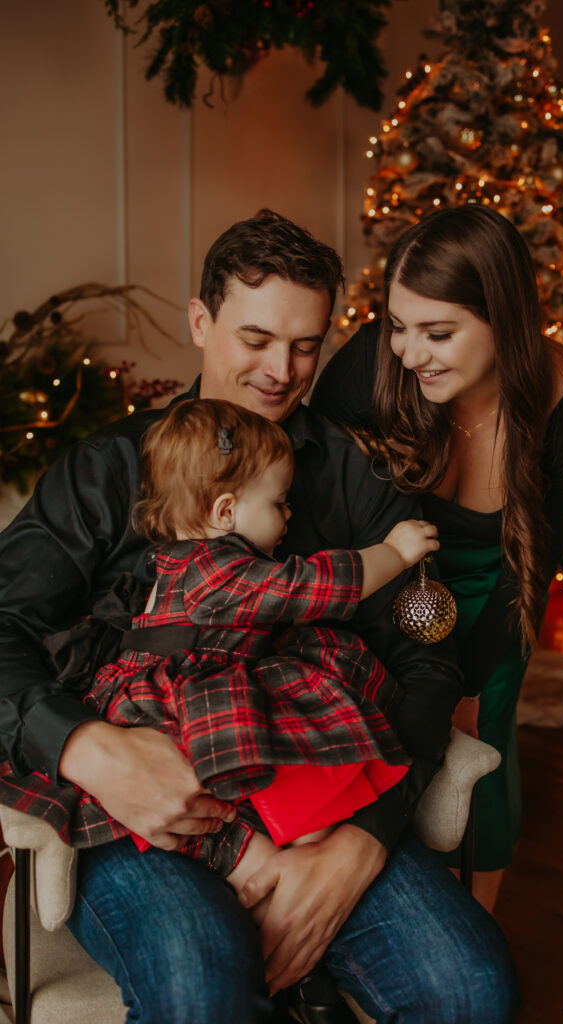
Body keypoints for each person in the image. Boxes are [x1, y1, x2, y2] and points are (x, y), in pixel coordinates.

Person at [0, 209, 518, 1024]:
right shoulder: (108, 469)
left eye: (305, 345)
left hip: (315, 795)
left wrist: (366, 840)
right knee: (200, 990)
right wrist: (87, 749)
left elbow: (425, 659)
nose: (281, 370)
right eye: (255, 339)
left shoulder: (351, 476)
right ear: (201, 322)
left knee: (469, 987)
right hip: (145, 805)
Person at [311, 203, 563, 915]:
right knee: (383, 748)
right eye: (398, 326)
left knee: (481, 742)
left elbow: (529, 570)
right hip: (382, 585)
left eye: (437, 333)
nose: (410, 354)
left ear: (503, 320)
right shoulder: (373, 364)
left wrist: (471, 685)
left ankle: (472, 924)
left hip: (494, 595)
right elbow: (316, 491)